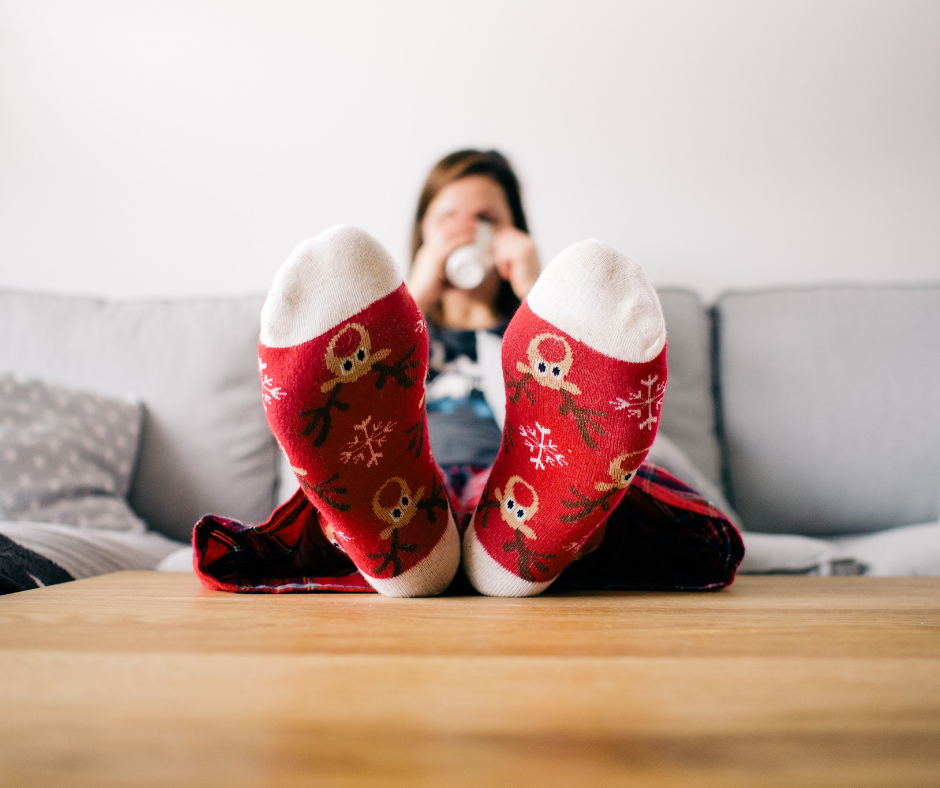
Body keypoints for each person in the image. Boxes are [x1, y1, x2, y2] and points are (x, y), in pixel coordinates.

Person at [192, 150, 744, 598]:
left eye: (487, 221)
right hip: (400, 481)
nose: (467, 233)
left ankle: (505, 545)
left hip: (524, 481)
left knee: (589, 494)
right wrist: (414, 296)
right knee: (351, 496)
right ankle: (422, 546)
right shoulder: (390, 335)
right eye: (448, 222)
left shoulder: (555, 336)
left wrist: (536, 289)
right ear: (421, 240)